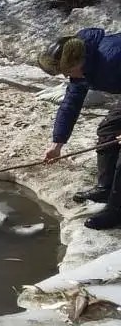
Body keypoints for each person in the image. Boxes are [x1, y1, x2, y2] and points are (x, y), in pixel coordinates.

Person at [39, 28, 121, 230]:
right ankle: (105, 187)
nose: (66, 76)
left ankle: (116, 211)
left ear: (77, 62)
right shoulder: (82, 66)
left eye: (67, 72)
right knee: (108, 130)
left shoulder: (111, 59)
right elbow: (71, 104)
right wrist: (57, 143)